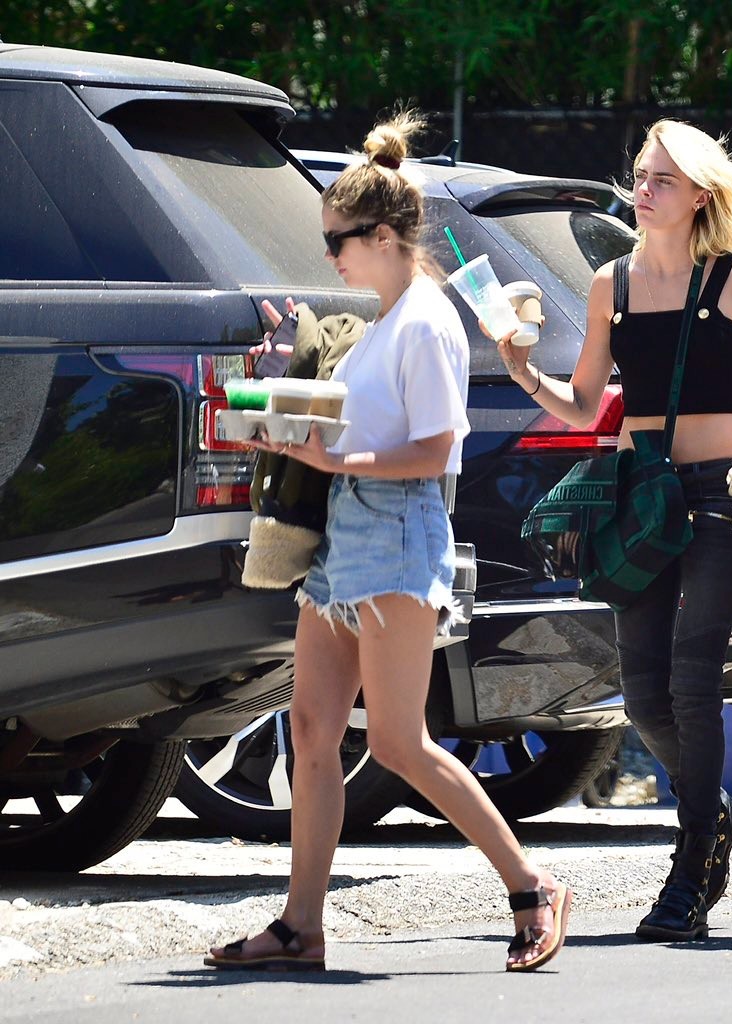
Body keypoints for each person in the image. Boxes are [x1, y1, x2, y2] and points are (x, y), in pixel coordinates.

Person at [205, 111, 571, 973]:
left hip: (399, 537)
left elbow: (440, 448)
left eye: (338, 238)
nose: (329, 252)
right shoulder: (385, 317)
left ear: (382, 235)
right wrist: (287, 408)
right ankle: (301, 925)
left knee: (401, 743)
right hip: (346, 539)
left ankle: (532, 885)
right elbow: (351, 423)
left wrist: (329, 452)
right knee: (312, 727)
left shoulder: (427, 322)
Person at [492, 118, 732, 941]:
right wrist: (524, 369)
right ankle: (718, 812)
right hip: (638, 497)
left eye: (662, 179)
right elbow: (588, 402)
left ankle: (691, 864)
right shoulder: (611, 284)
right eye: (639, 174)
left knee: (695, 685)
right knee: (641, 693)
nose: (644, 189)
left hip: (716, 497)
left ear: (701, 193)